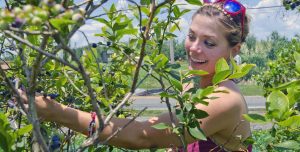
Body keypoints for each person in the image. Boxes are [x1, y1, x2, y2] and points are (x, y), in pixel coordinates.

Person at [19, 0, 252, 151]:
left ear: (235, 50)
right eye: (192, 36)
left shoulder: (224, 100)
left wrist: (58, 112)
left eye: (209, 43)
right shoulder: (194, 88)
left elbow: (141, 136)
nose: (194, 48)